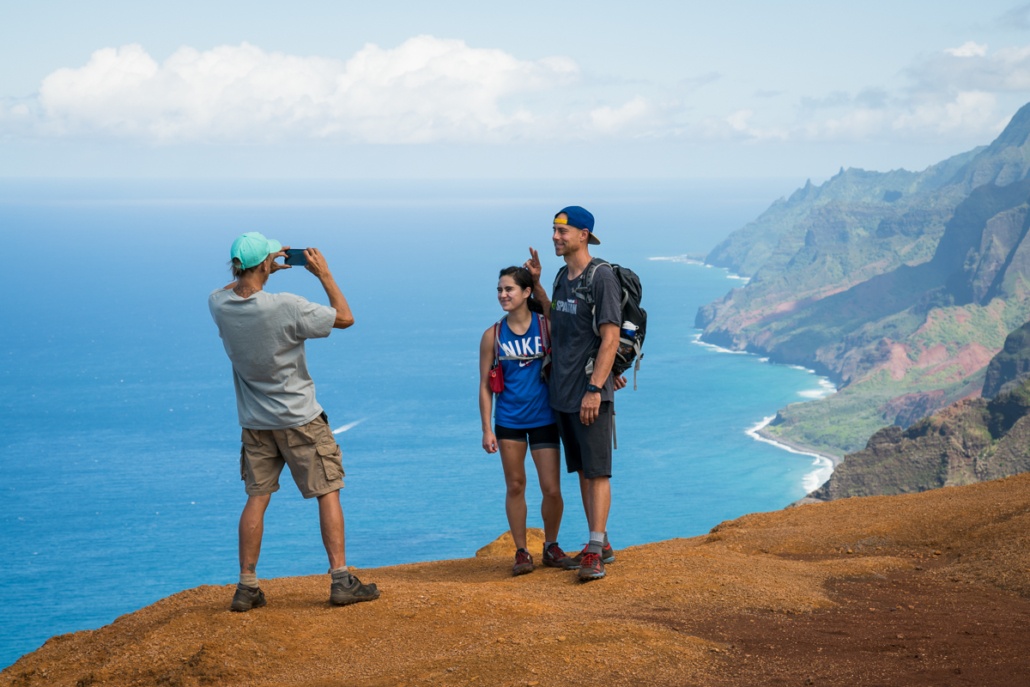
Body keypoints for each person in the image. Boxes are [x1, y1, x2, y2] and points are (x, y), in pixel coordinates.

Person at [208, 231, 379, 611]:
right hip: (300, 416)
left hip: (255, 421)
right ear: (267, 264)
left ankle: (246, 586)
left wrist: (259, 269)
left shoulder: (218, 304)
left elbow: (232, 288)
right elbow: (345, 318)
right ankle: (340, 579)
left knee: (257, 497)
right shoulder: (285, 305)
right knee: (328, 489)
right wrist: (323, 274)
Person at [528, 206, 623, 582]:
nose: (555, 237)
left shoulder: (601, 278)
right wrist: (536, 285)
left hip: (588, 393)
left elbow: (610, 337)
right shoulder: (560, 277)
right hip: (564, 392)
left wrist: (595, 389)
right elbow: (557, 318)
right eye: (553, 230)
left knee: (598, 472)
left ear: (584, 235)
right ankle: (600, 542)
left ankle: (595, 550)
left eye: (562, 232)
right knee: (584, 470)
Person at [478, 261, 579, 576]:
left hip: (544, 417)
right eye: (499, 290)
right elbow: (484, 386)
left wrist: (538, 282)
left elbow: (571, 334)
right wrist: (486, 429)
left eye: (509, 289)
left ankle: (551, 546)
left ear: (525, 292)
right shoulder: (492, 335)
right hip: (508, 421)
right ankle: (522, 551)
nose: (503, 295)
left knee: (551, 489)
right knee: (516, 485)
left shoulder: (545, 324)